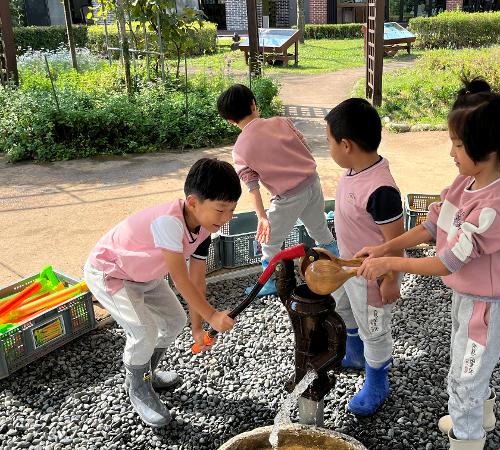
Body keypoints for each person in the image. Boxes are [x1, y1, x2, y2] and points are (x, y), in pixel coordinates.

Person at [356, 78, 500, 449]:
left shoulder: (493, 207)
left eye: (459, 144)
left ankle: (467, 439)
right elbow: (433, 226)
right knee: (471, 366)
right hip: (469, 297)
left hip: (487, 306)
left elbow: (447, 262)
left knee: (466, 377)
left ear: (491, 149)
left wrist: (392, 264)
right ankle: (481, 415)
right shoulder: (466, 182)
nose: (452, 152)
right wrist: (386, 250)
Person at [84, 158, 241, 427]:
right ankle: (138, 389)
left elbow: (197, 279)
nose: (226, 218)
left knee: (174, 321)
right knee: (144, 331)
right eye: (220, 210)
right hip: (112, 273)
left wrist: (197, 328)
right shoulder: (170, 222)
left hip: (145, 274)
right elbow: (181, 280)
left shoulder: (205, 226)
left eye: (232, 210)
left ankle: (147, 372)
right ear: (193, 202)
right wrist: (212, 315)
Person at [324, 98, 405, 416]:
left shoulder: (381, 189)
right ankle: (356, 354)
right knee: (343, 310)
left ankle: (377, 381)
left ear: (346, 145)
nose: (328, 147)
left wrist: (392, 279)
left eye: (329, 141)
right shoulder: (352, 170)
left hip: (373, 277)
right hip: (346, 268)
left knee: (375, 328)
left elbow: (395, 242)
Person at [217, 84, 338, 297]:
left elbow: (252, 186)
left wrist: (262, 216)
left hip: (288, 197)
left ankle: (270, 282)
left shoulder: (240, 149)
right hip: (312, 182)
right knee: (318, 227)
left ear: (229, 120)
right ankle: (335, 261)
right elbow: (305, 145)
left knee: (270, 241)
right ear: (254, 104)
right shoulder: (281, 122)